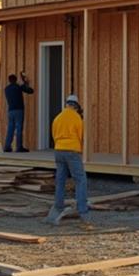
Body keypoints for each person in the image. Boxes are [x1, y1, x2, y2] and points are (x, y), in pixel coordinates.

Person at [47, 95, 89, 225]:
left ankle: (58, 206)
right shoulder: (77, 118)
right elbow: (81, 136)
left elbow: (54, 135)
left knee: (60, 180)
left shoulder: (57, 118)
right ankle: (83, 210)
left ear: (66, 105)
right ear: (76, 106)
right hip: (72, 151)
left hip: (59, 150)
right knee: (80, 180)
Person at [3, 72, 35, 153]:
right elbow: (31, 91)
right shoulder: (18, 87)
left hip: (10, 111)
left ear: (9, 80)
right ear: (16, 80)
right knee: (19, 129)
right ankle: (19, 147)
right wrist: (26, 83)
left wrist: (23, 84)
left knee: (10, 129)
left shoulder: (6, 89)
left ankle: (7, 146)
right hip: (19, 110)